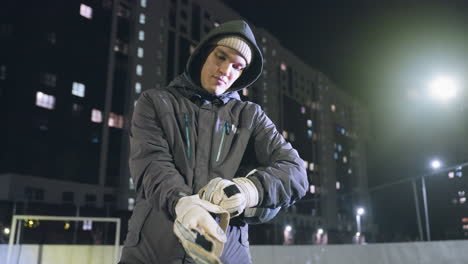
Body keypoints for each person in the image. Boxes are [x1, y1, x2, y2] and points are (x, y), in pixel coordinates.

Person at [119, 20, 308, 264]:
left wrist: (247, 191)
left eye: (237, 66)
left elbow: (295, 171)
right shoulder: (156, 102)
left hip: (226, 255)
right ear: (204, 53)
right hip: (151, 253)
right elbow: (151, 163)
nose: (225, 70)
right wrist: (183, 203)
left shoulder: (250, 116)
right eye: (220, 57)